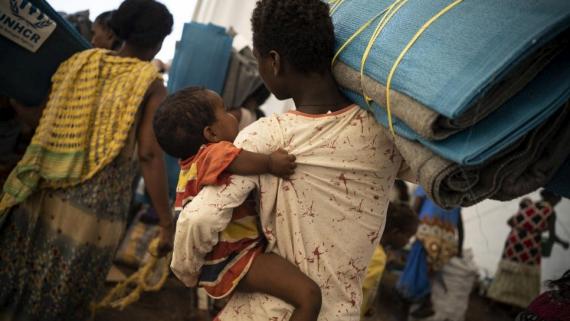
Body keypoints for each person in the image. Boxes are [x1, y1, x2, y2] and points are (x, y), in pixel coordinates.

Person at [170, 0, 415, 319]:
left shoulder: (266, 137)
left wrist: (187, 271)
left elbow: (200, 218)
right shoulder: (384, 134)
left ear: (274, 61)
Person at [0, 1, 173, 320]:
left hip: (48, 189)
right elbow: (149, 155)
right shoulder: (151, 85)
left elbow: (42, 117)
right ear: (159, 41)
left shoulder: (81, 62)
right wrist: (165, 221)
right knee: (64, 296)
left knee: (21, 278)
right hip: (96, 211)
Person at [154, 87, 323, 321]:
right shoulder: (211, 154)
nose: (232, 115)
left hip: (225, 258)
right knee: (309, 296)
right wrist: (271, 163)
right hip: (234, 258)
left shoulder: (190, 165)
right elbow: (235, 158)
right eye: (223, 111)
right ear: (211, 133)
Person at [487, 190, 568, 309]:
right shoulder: (549, 211)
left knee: (507, 270)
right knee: (526, 275)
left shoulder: (532, 205)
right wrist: (563, 243)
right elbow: (552, 237)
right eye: (558, 199)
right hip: (530, 246)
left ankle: (494, 301)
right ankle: (519, 306)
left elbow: (510, 221)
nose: (558, 201)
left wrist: (524, 228)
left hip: (513, 242)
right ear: (553, 198)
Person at [397, 186, 464, 318]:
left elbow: (416, 206)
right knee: (428, 272)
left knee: (414, 271)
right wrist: (460, 246)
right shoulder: (461, 188)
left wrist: (406, 229)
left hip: (427, 234)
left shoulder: (430, 180)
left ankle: (410, 306)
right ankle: (424, 302)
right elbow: (460, 223)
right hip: (445, 241)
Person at [361, 202, 419, 318]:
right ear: (396, 233)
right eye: (408, 237)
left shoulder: (368, 244)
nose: (408, 242)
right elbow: (357, 290)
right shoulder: (378, 257)